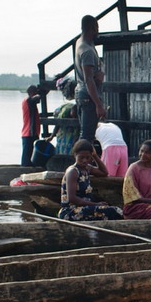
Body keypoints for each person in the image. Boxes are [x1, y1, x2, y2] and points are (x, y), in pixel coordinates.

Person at [58, 139, 122, 221]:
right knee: (113, 211)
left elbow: (104, 172)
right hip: (71, 211)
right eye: (81, 158)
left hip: (85, 208)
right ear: (75, 155)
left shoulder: (87, 168)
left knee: (115, 211)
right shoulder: (73, 171)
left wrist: (95, 156)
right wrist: (95, 204)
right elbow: (72, 198)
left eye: (87, 157)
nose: (84, 160)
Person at [74, 15, 105, 143]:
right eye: (97, 28)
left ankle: (84, 161)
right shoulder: (87, 51)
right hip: (89, 97)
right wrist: (99, 105)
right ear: (93, 28)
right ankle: (81, 162)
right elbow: (89, 80)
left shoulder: (80, 43)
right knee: (87, 136)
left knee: (86, 134)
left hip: (81, 94)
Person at [20, 85, 48, 167]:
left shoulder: (29, 101)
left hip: (31, 132)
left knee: (31, 155)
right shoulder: (28, 101)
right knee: (27, 157)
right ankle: (25, 170)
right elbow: (38, 97)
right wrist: (42, 92)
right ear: (32, 93)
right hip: (29, 132)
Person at [50, 80, 79, 156]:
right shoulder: (65, 111)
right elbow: (58, 123)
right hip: (64, 135)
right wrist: (52, 135)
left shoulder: (79, 106)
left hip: (72, 134)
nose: (74, 117)